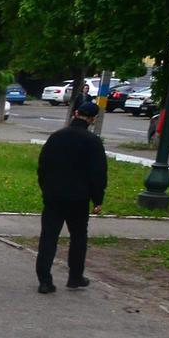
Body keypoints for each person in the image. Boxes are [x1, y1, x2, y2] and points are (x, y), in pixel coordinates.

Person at [35, 99, 108, 293]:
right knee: (78, 237)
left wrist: (46, 188)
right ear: (92, 119)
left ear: (76, 114)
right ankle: (75, 277)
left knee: (48, 237)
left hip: (53, 197)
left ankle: (44, 280)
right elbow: (98, 173)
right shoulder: (92, 142)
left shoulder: (56, 137)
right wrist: (97, 199)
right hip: (78, 199)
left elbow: (43, 166)